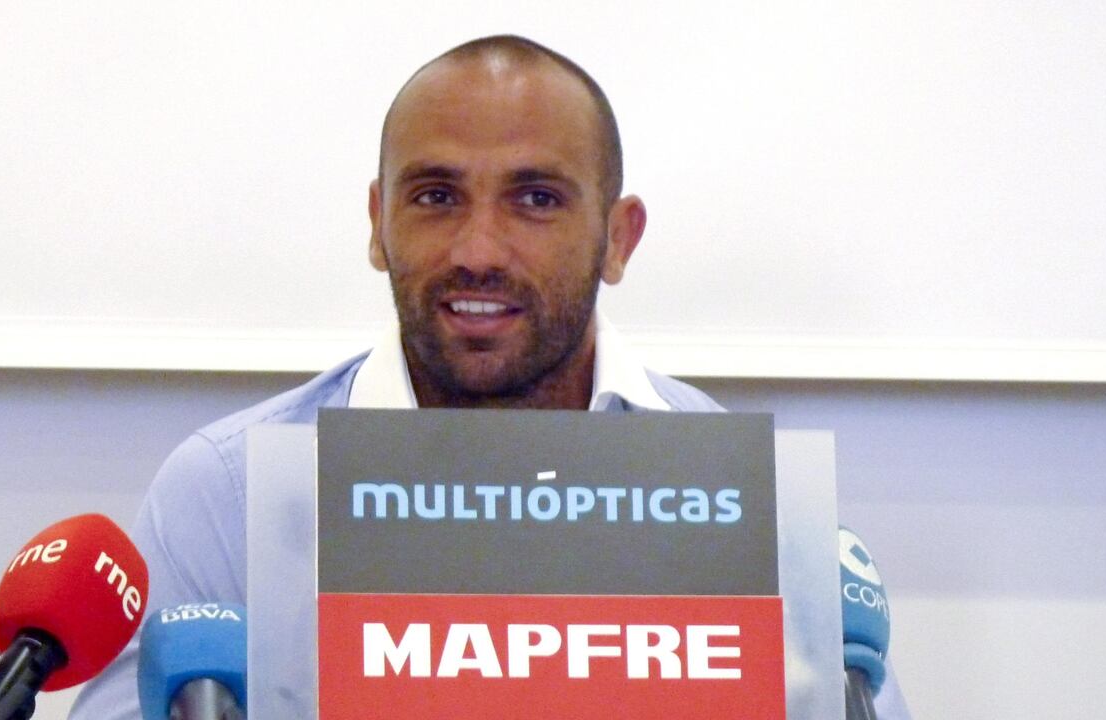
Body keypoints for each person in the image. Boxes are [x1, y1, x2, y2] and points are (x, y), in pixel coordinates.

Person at [70, 35, 910, 719]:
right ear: (378, 224)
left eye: (536, 199)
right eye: (436, 197)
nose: (478, 250)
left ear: (618, 239)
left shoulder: (748, 505)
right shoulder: (232, 491)